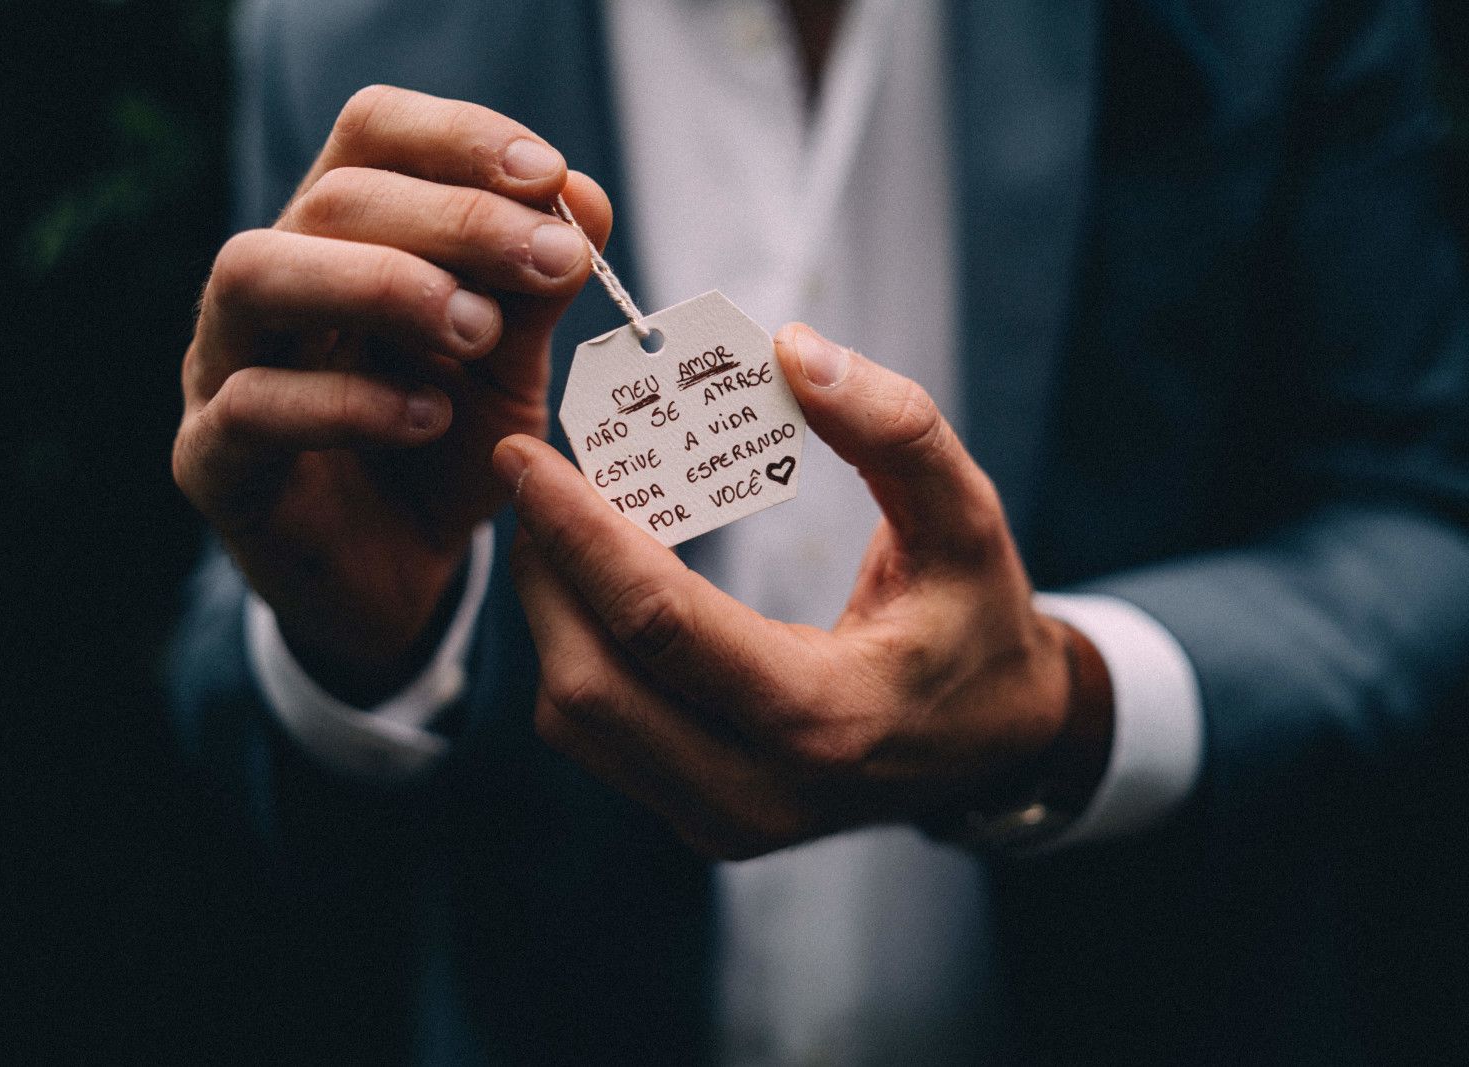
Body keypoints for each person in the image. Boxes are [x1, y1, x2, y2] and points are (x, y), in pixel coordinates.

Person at [169, 0, 1469, 1063]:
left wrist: (1071, 700)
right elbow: (239, 661)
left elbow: (1419, 527)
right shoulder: (338, 35)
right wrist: (360, 649)